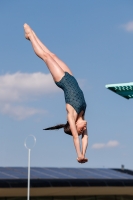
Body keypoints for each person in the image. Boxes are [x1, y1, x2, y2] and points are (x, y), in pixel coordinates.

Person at [24, 24, 88, 163]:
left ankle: (31, 36)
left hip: (62, 80)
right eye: (83, 131)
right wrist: (84, 153)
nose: (84, 130)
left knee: (46, 57)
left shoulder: (72, 115)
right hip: (71, 77)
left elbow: (77, 138)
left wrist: (79, 155)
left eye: (81, 130)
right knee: (52, 54)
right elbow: (85, 138)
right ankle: (31, 35)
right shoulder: (83, 114)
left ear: (74, 127)